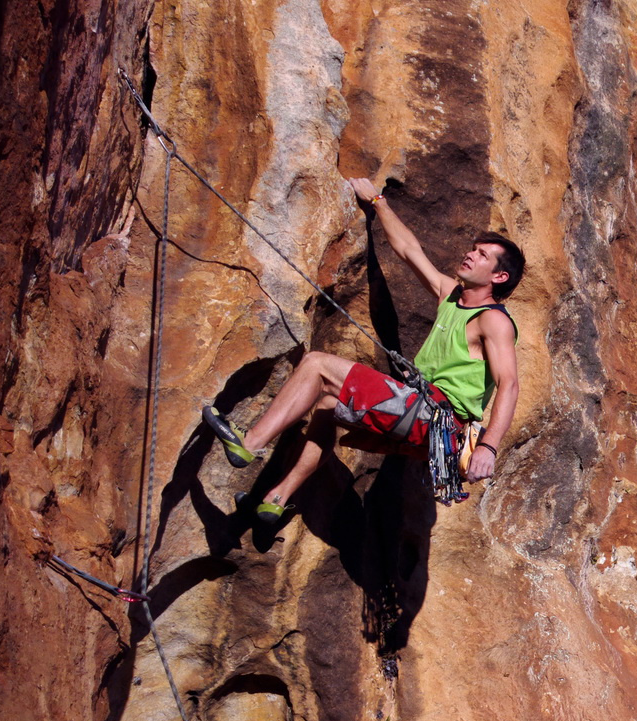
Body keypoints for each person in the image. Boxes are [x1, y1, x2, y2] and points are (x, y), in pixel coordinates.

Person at [201, 176, 525, 525]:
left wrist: (489, 448)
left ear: (499, 277)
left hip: (435, 416)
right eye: (473, 249)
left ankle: (248, 445)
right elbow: (408, 250)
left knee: (316, 364)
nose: (470, 255)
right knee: (325, 405)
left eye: (482, 255)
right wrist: (378, 202)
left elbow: (509, 384)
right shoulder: (451, 296)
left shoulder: (493, 321)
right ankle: (276, 499)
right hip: (421, 413)